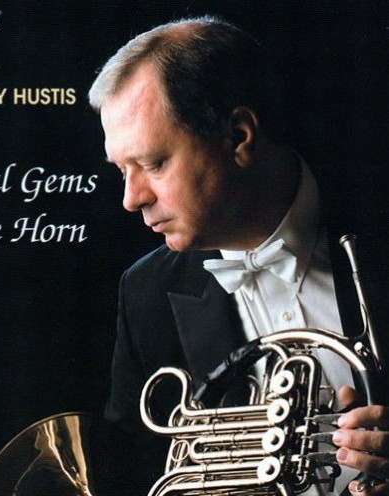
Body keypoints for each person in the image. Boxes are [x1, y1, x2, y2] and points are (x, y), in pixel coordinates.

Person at [88, 17, 389, 496]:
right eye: (122, 170)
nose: (131, 198)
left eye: (153, 163)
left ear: (239, 136)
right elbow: (133, 470)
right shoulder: (147, 293)